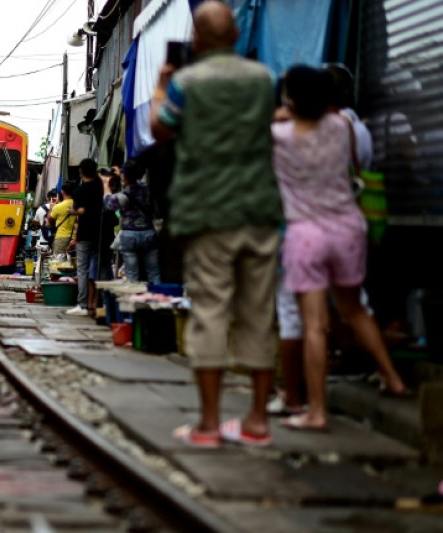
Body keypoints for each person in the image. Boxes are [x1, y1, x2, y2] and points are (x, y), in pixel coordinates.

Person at [150, 1, 283, 448]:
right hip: (260, 209)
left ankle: (208, 425)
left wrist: (160, 88)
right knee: (259, 314)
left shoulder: (187, 82)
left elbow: (161, 128)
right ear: (235, 35)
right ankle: (257, 422)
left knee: (209, 311)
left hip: (207, 213)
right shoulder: (264, 79)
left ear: (197, 39)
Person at [271, 66, 408, 432]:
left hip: (306, 236)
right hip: (348, 229)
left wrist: (283, 110)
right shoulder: (343, 127)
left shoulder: (279, 135)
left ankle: (315, 411)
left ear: (291, 99)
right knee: (355, 309)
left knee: (314, 325)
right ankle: (392, 378)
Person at [105, 163, 161, 283]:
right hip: (149, 233)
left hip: (129, 236)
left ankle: (134, 300)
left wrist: (106, 188)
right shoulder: (147, 190)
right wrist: (122, 175)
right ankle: (156, 298)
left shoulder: (125, 195)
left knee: (132, 274)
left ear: (125, 177)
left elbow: (110, 204)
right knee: (154, 272)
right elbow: (156, 211)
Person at [67, 159, 104, 317]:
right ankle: (96, 303)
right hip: (101, 233)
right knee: (96, 269)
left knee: (82, 269)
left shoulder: (79, 191)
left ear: (81, 171)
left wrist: (73, 212)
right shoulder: (100, 187)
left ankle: (82, 304)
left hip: (84, 234)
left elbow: (80, 211)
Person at [48, 181, 77, 257]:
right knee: (72, 263)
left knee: (59, 263)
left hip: (61, 238)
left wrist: (51, 208)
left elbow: (48, 223)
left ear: (62, 192)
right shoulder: (77, 205)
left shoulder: (58, 207)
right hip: (75, 239)